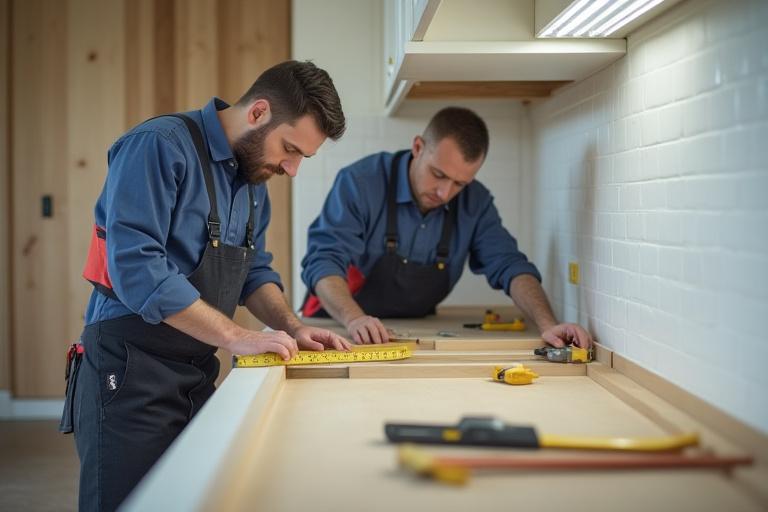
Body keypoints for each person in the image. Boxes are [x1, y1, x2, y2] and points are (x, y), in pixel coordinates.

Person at [59, 60, 351, 512]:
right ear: (258, 113)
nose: (292, 169)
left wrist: (293, 328)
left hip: (195, 370)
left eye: (302, 159)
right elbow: (140, 273)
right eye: (290, 149)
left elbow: (254, 273)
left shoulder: (254, 182)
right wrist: (238, 337)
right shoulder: (158, 146)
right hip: (129, 370)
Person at [301, 106, 592, 349]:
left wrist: (549, 325)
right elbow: (324, 261)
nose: (444, 193)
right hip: (337, 325)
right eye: (438, 174)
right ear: (418, 147)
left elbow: (510, 265)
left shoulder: (475, 203)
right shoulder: (360, 183)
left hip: (413, 330)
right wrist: (354, 319)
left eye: (459, 184)